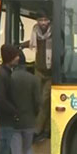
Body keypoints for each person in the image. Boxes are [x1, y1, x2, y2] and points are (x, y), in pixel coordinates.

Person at [11, 50, 41, 154]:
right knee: (28, 149)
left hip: (15, 122)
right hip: (30, 121)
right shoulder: (34, 79)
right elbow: (38, 103)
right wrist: (34, 115)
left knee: (16, 153)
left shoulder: (10, 79)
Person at [22, 10, 52, 142]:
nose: (43, 23)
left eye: (45, 20)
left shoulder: (54, 34)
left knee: (45, 101)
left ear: (49, 21)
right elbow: (32, 44)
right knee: (37, 100)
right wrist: (21, 45)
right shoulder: (35, 33)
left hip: (51, 72)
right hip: (38, 70)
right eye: (41, 20)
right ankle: (45, 130)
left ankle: (37, 130)